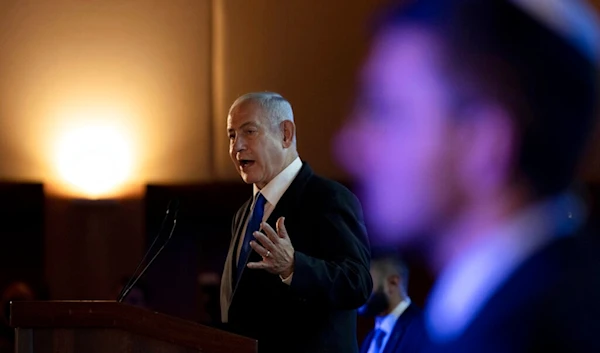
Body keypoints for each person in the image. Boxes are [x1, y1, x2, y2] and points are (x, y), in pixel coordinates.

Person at [336, 0, 600, 352]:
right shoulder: (523, 304)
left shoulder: (529, 336)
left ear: (486, 144)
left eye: (386, 111)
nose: (349, 147)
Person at [220, 92, 372, 353]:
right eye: (232, 135)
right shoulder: (244, 213)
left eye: (249, 132)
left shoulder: (328, 198)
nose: (237, 147)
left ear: (285, 134)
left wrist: (294, 267)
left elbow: (357, 283)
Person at [359, 255, 425, 353]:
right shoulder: (369, 339)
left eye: (365, 282)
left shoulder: (422, 330)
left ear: (392, 283)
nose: (357, 291)